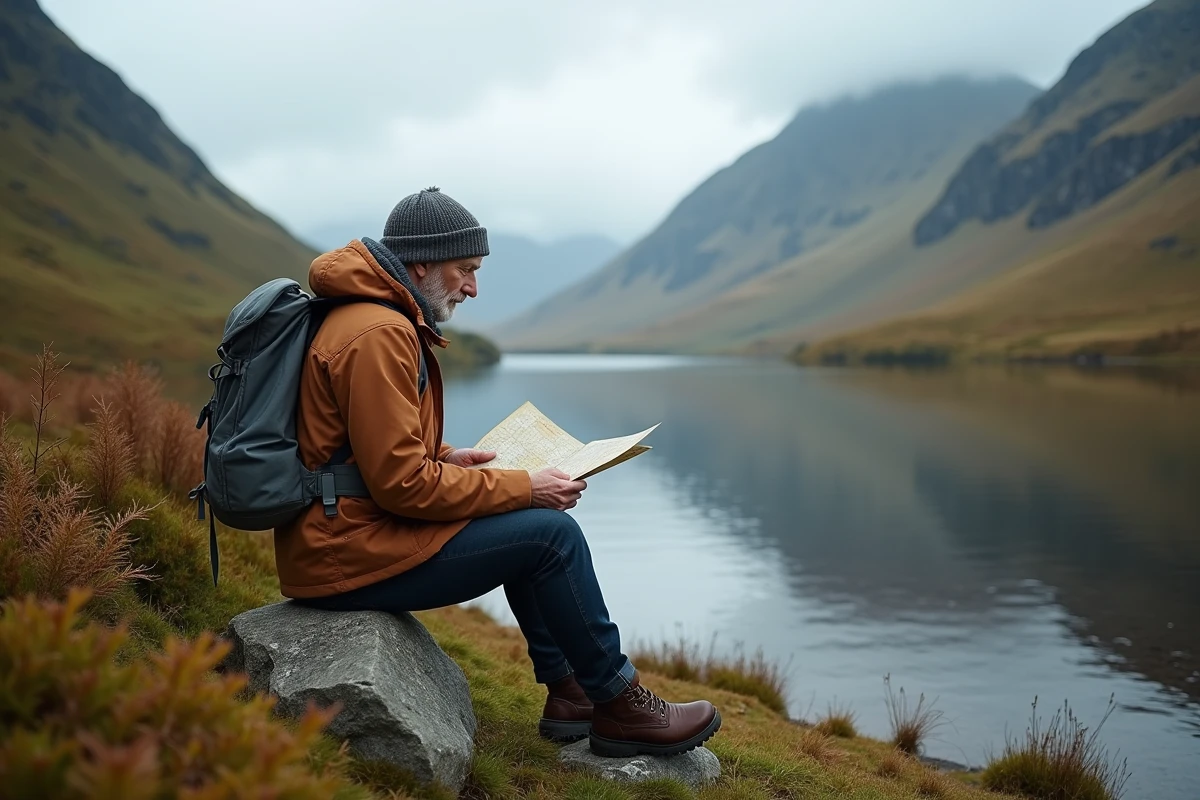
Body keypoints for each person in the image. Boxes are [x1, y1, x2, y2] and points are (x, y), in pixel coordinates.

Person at [275, 186, 720, 757]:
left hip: (343, 536)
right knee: (550, 536)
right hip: (346, 552)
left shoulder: (369, 320)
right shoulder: (378, 334)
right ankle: (619, 702)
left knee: (528, 531)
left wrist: (445, 457)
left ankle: (572, 696)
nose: (473, 287)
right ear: (421, 262)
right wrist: (525, 487)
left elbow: (366, 458)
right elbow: (400, 485)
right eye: (465, 269)